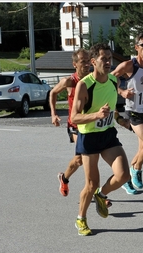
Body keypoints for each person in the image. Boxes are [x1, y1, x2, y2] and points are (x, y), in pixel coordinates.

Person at [70, 43, 131, 236]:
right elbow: (74, 117)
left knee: (123, 175)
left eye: (109, 58)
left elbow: (112, 109)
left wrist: (121, 120)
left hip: (107, 133)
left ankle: (101, 195)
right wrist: (96, 115)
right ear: (94, 61)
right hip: (89, 137)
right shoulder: (84, 85)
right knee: (91, 183)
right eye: (104, 59)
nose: (108, 62)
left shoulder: (114, 81)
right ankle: (81, 219)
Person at [111, 32, 143, 195]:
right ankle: (136, 169)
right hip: (134, 112)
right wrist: (122, 92)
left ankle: (125, 179)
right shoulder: (128, 66)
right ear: (136, 47)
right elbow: (110, 79)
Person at [49, 49, 90, 197]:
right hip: (75, 125)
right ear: (75, 64)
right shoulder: (69, 81)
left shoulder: (93, 79)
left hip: (90, 124)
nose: (87, 64)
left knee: (79, 160)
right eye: (82, 62)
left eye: (88, 61)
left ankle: (64, 178)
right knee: (85, 157)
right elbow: (53, 93)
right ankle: (91, 190)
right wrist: (54, 114)